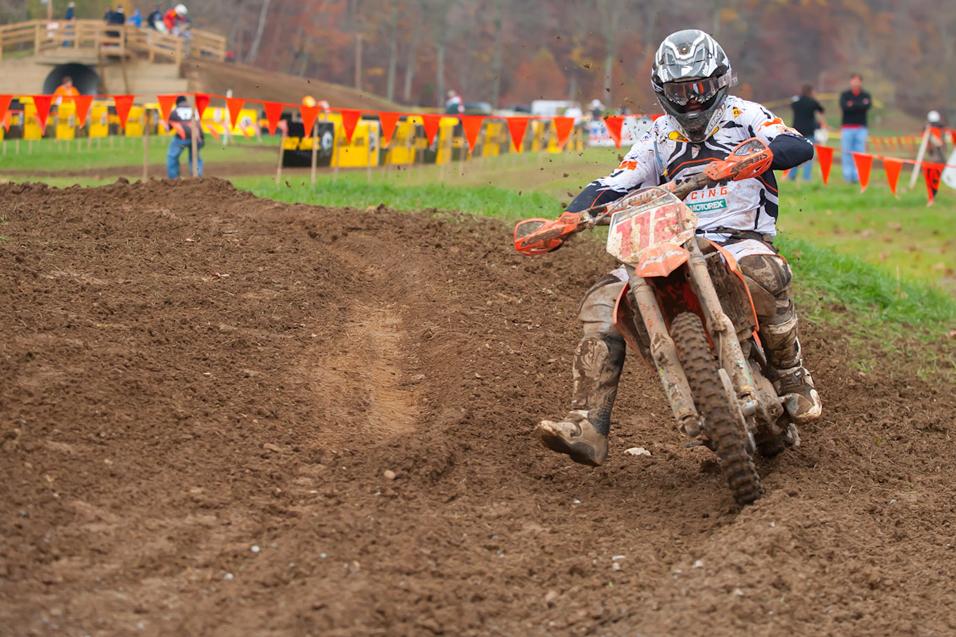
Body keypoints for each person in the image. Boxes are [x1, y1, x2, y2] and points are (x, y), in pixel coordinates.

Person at [535, 29, 821, 467]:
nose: (690, 101)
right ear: (662, 92)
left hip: (737, 239)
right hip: (666, 242)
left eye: (699, 88)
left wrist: (759, 156)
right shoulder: (656, 136)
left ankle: (792, 376)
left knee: (765, 273)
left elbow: (797, 143)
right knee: (602, 302)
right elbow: (618, 182)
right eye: (678, 91)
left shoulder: (746, 116)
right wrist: (569, 218)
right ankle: (587, 421)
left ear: (719, 82)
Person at [839, 73, 872, 183]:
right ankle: (848, 178)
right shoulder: (845, 94)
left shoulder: (866, 95)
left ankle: (858, 177)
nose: (855, 82)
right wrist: (859, 105)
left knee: (860, 153)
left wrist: (852, 105)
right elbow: (844, 107)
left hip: (861, 129)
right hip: (847, 128)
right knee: (846, 153)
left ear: (861, 82)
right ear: (850, 81)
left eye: (857, 80)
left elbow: (866, 107)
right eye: (853, 80)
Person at [788, 84, 825, 181]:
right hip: (809, 131)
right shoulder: (812, 102)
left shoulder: (796, 101)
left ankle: (792, 175)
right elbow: (821, 109)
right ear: (811, 91)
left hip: (797, 131)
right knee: (809, 156)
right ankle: (806, 177)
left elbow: (791, 105)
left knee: (794, 155)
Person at [167, 96, 204, 179]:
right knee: (195, 157)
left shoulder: (175, 111)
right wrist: (201, 138)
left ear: (177, 103)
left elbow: (169, 127)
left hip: (181, 137)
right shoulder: (194, 110)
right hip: (196, 137)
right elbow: (199, 125)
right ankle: (198, 177)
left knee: (172, 156)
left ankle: (173, 178)